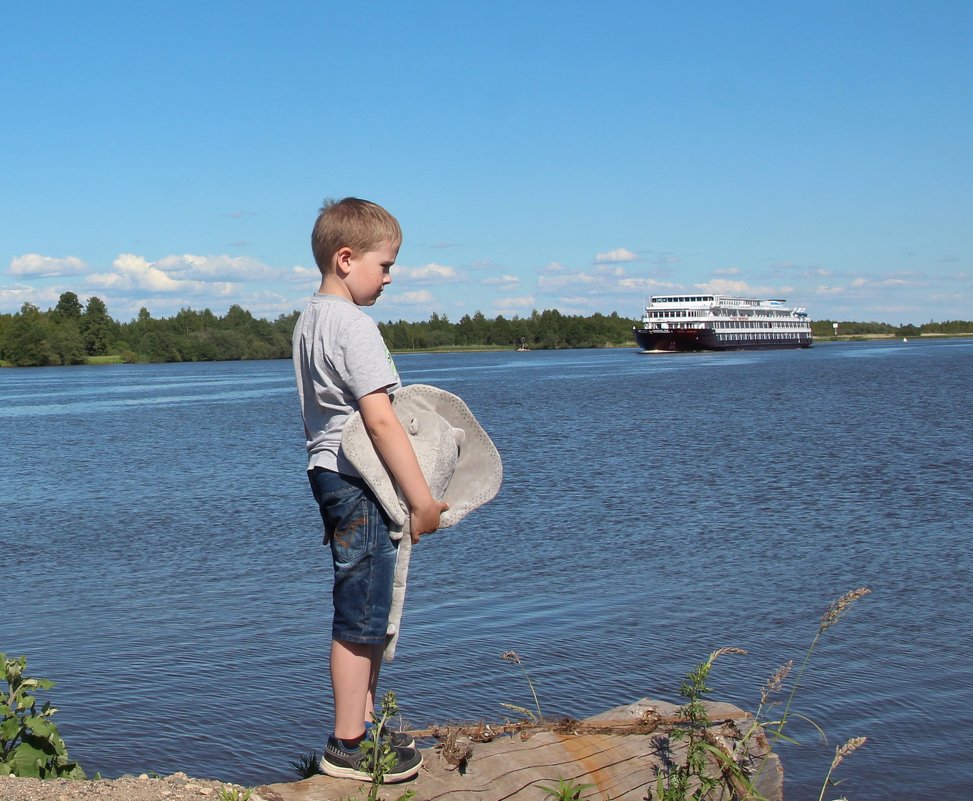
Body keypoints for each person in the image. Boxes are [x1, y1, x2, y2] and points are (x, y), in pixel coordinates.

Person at [293, 197, 448, 782]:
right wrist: (422, 501)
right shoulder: (354, 326)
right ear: (346, 258)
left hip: (327, 472)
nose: (388, 279)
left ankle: (366, 724)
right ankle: (348, 742)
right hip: (357, 480)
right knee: (362, 613)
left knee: (368, 603)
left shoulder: (311, 318)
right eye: (384, 266)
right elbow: (380, 420)